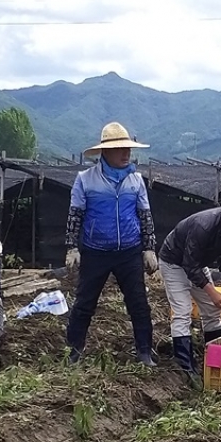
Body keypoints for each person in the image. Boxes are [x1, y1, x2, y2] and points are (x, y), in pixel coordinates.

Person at [65, 122, 159, 365]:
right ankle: (73, 353)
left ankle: (145, 352)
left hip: (129, 251)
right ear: (105, 152)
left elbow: (145, 216)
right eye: (120, 149)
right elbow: (75, 215)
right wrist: (72, 247)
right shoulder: (85, 180)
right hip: (95, 251)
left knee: (138, 303)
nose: (126, 154)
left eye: (128, 149)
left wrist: (149, 248)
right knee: (85, 303)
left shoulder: (136, 181)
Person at [159, 200, 221, 383]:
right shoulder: (203, 226)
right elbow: (190, 264)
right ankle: (186, 368)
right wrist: (211, 291)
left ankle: (215, 362)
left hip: (198, 264)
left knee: (212, 312)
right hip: (174, 262)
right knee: (182, 311)